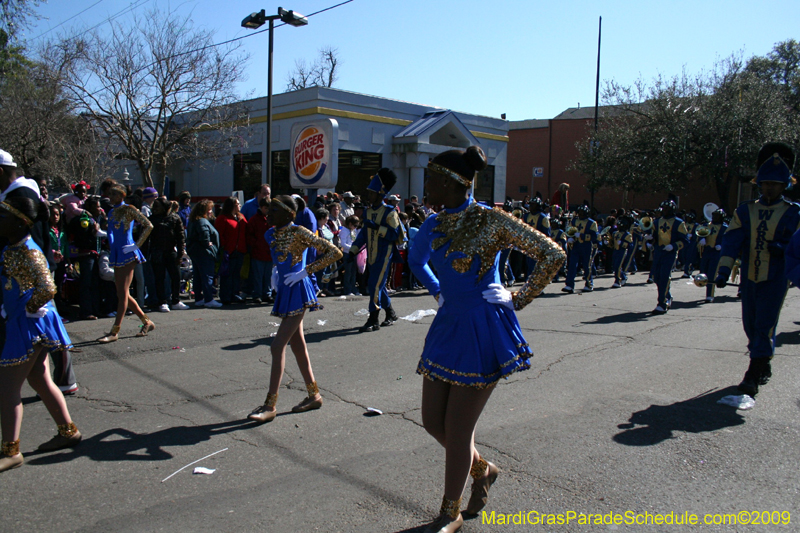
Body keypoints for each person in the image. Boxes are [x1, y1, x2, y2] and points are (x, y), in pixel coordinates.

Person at [408, 146, 565, 532]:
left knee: (459, 430)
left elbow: (552, 254)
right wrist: (437, 290)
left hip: (483, 326)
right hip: (448, 324)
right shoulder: (432, 224)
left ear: (451, 183)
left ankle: (451, 511)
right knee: (432, 422)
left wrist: (517, 296)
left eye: (431, 179)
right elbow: (415, 258)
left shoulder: (491, 220)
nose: (426, 185)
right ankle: (484, 469)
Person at [0, 196, 81, 473]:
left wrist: (27, 309)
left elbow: (48, 287)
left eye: (4, 216)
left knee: (7, 388)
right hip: (26, 322)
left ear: (21, 222)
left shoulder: (28, 251)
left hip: (30, 326)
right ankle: (67, 430)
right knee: (39, 378)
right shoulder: (12, 247)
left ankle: (10, 450)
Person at [247, 195, 342, 423]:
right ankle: (314, 395)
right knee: (298, 345)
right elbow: (279, 260)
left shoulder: (299, 231)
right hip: (285, 289)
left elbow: (334, 252)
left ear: (289, 214)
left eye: (274, 211)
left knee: (277, 346)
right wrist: (275, 273)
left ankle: (270, 405)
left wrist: (305, 271)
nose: (268, 215)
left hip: (299, 289)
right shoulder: (270, 234)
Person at [715, 142, 800, 396]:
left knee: (765, 323)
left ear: (784, 185)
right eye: (765, 184)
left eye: (774, 184)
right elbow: (731, 242)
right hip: (749, 277)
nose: (768, 188)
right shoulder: (745, 210)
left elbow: (798, 245)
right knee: (750, 324)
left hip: (776, 277)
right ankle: (763, 361)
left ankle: (753, 372)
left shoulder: (794, 213)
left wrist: (783, 248)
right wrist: (722, 271)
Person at [97, 185, 155, 343]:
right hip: (117, 253)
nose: (111, 197)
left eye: (114, 194)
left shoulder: (129, 209)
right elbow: (111, 232)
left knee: (122, 293)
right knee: (122, 293)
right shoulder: (111, 211)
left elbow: (149, 225)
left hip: (128, 253)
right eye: (110, 194)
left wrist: (136, 244)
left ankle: (115, 331)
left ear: (122, 195)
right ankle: (147, 322)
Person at [349, 168, 405, 331]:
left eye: (372, 193)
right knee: (377, 286)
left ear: (381, 194)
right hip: (370, 256)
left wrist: (377, 228)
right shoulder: (367, 212)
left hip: (384, 255)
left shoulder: (389, 212)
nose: (369, 196)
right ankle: (390, 313)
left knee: (374, 285)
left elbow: (394, 234)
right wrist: (353, 250)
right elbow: (362, 236)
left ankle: (373, 319)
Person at [148, 197, 188, 312]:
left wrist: (180, 254)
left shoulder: (175, 218)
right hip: (157, 251)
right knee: (159, 277)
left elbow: (180, 237)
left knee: (176, 276)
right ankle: (162, 301)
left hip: (171, 251)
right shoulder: (151, 219)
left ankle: (176, 300)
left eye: (157, 206)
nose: (154, 209)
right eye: (154, 206)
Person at [650, 200, 688, 314]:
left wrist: (674, 246)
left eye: (667, 209)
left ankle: (662, 303)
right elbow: (655, 236)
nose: (665, 211)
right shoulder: (657, 222)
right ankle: (667, 296)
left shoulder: (678, 223)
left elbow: (685, 240)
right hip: (658, 252)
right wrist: (650, 240)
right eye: (664, 209)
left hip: (669, 253)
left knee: (664, 276)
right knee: (656, 277)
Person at [186, 199, 221, 308]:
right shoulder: (202, 221)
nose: (211, 212)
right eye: (209, 210)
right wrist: (209, 244)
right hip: (204, 253)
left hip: (195, 252)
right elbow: (204, 235)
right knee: (207, 276)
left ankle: (199, 298)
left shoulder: (193, 221)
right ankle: (209, 299)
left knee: (197, 276)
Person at [215, 197, 247, 304]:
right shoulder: (223, 218)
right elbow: (219, 235)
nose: (239, 206)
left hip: (240, 250)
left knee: (236, 274)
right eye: (237, 204)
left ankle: (235, 294)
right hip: (229, 251)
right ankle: (225, 295)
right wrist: (225, 247)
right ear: (232, 206)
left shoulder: (241, 218)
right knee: (227, 275)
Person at [562, 204, 598, 293]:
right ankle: (569, 285)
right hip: (576, 245)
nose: (581, 214)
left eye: (583, 212)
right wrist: (570, 238)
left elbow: (594, 237)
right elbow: (569, 231)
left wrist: (582, 236)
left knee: (587, 266)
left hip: (586, 246)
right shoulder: (574, 221)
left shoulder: (592, 223)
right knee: (572, 265)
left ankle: (589, 284)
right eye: (580, 212)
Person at [696, 208, 727, 303]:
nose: (714, 217)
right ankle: (704, 285)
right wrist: (701, 239)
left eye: (716, 216)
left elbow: (729, 240)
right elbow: (699, 234)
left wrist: (722, 245)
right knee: (704, 271)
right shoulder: (706, 225)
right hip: (707, 251)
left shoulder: (725, 227)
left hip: (716, 252)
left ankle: (710, 294)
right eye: (713, 215)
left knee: (712, 273)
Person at [610, 216, 634, 288]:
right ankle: (623, 277)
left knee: (618, 266)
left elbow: (630, 245)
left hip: (622, 251)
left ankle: (618, 281)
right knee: (614, 266)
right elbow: (612, 242)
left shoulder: (627, 235)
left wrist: (623, 243)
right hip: (615, 250)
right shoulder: (615, 233)